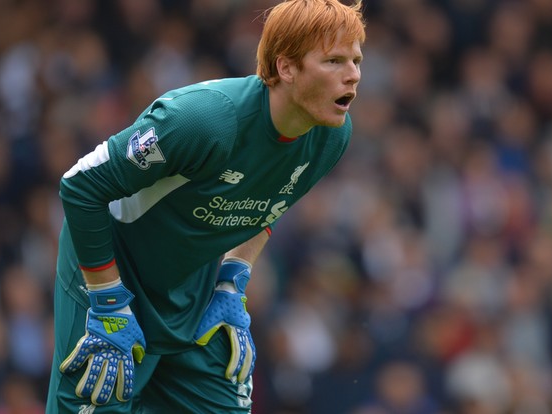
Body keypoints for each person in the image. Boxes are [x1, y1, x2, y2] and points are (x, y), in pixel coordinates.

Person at [46, 0, 366, 412]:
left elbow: (269, 204)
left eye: (356, 60)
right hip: (109, 275)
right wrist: (108, 300)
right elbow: (79, 185)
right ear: (286, 68)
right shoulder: (203, 120)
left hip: (193, 285)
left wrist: (233, 279)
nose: (353, 75)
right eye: (335, 60)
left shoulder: (331, 136)